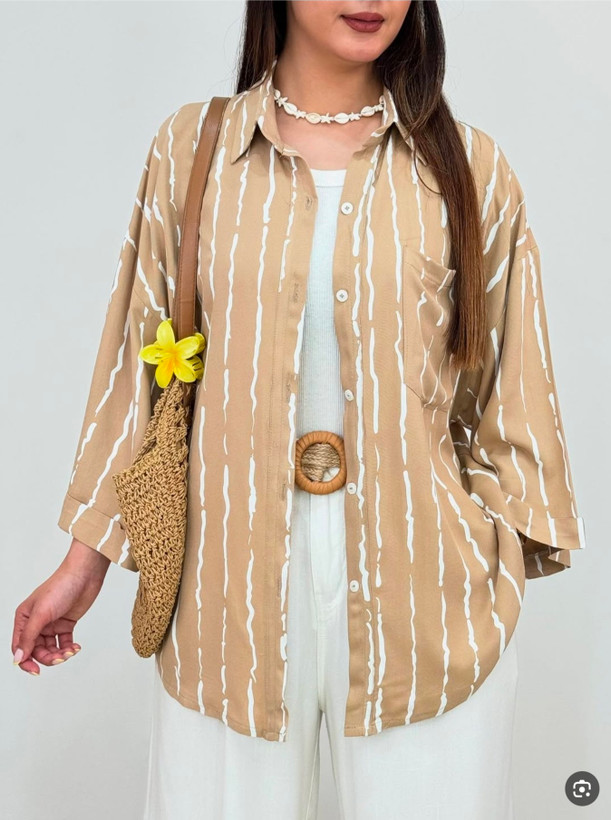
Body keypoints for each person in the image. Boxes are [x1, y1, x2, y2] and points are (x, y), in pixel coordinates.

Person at [12, 2, 587, 818]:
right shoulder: (193, 150)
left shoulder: (469, 167)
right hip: (228, 607)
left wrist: (481, 560)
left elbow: (514, 393)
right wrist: (86, 559)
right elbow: (135, 371)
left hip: (423, 607)